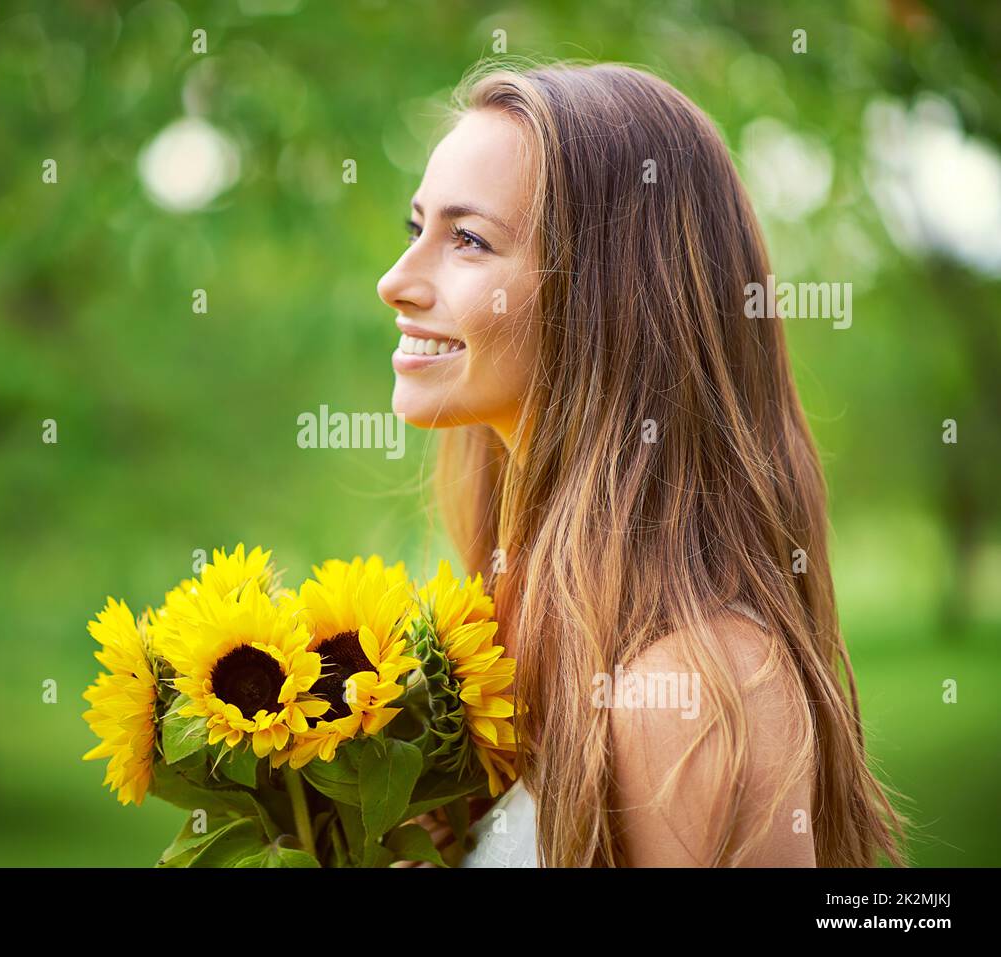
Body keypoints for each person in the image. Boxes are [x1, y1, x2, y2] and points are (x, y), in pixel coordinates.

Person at [378, 60, 908, 867]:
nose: (396, 281)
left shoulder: (696, 693)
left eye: (469, 240)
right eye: (416, 228)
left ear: (607, 295)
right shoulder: (502, 626)